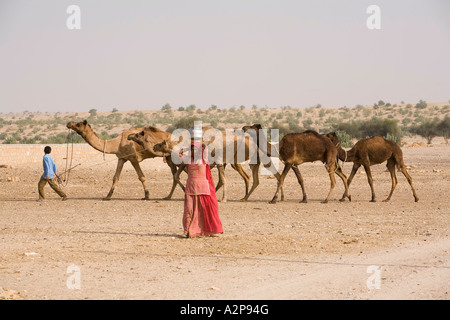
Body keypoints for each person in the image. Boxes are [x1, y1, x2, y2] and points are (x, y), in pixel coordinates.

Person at [178, 141, 223, 238]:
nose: (194, 151)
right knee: (188, 210)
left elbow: (205, 147)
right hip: (190, 187)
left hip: (203, 188)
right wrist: (185, 149)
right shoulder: (188, 159)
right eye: (192, 149)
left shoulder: (204, 159)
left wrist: (201, 144)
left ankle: (210, 230)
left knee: (206, 209)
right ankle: (186, 231)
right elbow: (178, 155)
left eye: (195, 149)